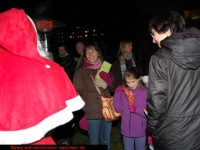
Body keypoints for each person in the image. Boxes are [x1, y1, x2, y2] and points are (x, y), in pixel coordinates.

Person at [0, 8, 85, 144]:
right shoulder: (48, 67)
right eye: (60, 50)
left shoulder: (65, 62)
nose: (77, 50)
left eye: (79, 48)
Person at [147, 10, 200, 150]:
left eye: (154, 34)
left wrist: (151, 125)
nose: (153, 39)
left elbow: (157, 101)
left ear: (168, 31)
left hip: (171, 133)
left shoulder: (159, 58)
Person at [73, 42, 116, 150]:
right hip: (91, 111)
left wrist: (109, 81)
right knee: (94, 142)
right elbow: (77, 92)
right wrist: (84, 110)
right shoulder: (81, 71)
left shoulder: (105, 66)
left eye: (93, 51)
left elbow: (113, 88)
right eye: (87, 52)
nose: (90, 54)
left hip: (107, 109)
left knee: (105, 140)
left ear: (98, 53)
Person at [113, 66, 148, 150]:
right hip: (126, 129)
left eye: (133, 81)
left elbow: (147, 113)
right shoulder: (124, 91)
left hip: (140, 129)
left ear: (138, 78)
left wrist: (136, 109)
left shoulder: (145, 92)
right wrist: (117, 94)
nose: (130, 85)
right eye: (127, 82)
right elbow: (118, 109)